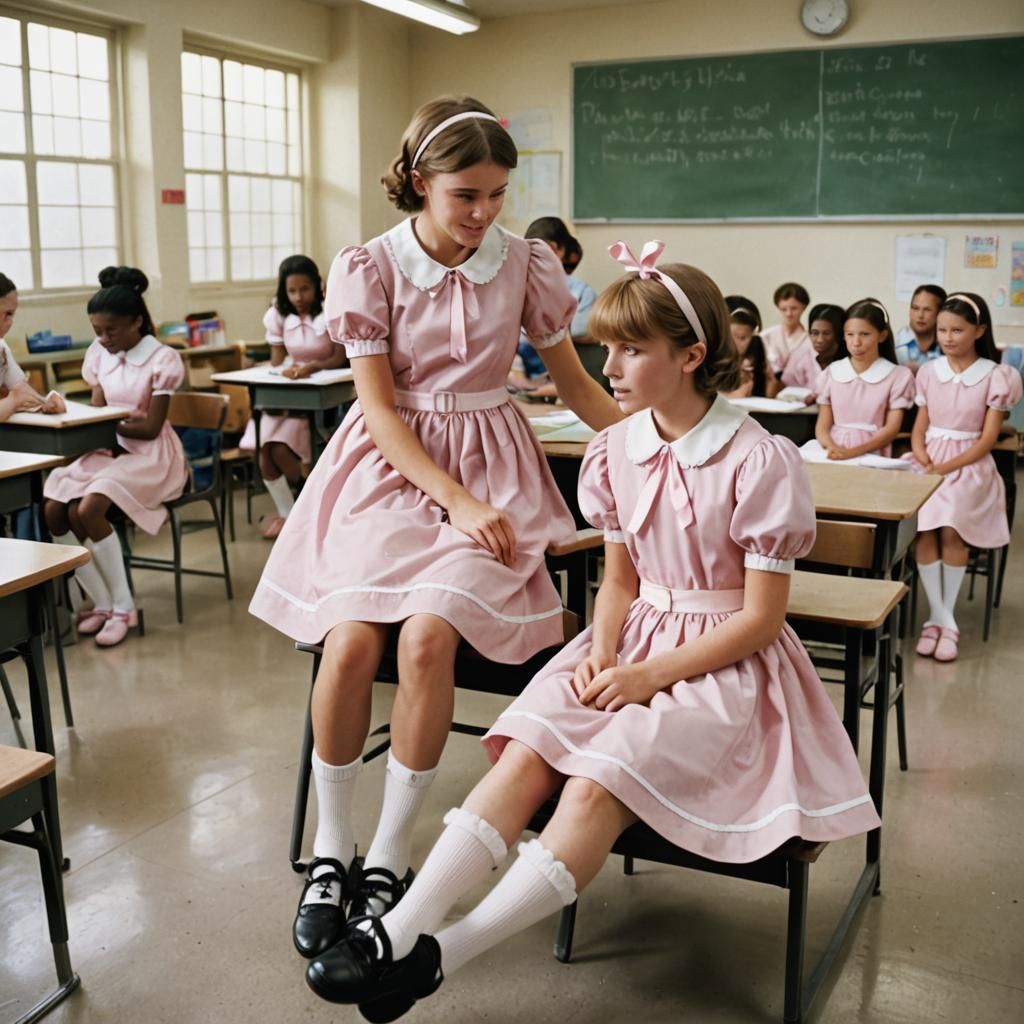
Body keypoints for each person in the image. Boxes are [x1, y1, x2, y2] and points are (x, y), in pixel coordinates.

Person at [302, 241, 880, 1021]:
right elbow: (620, 583)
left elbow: (760, 619)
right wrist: (605, 651)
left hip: (721, 666)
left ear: (691, 356)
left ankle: (443, 954)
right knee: (528, 750)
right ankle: (398, 931)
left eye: (630, 350)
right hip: (629, 641)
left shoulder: (758, 458)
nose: (608, 367)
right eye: (606, 347)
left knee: (596, 781)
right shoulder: (616, 450)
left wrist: (646, 676)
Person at [247, 96, 621, 959]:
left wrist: (662, 443)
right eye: (466, 195)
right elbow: (378, 410)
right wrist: (454, 500)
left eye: (498, 195)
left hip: (494, 471)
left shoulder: (525, 263)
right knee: (349, 646)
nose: (484, 213)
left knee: (425, 638)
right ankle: (333, 850)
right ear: (421, 182)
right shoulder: (370, 266)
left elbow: (576, 384)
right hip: (390, 471)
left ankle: (389, 852)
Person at [43, 267, 187, 647]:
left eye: (112, 331)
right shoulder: (99, 355)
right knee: (55, 508)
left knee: (89, 508)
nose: (104, 339)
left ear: (137, 321)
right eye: (97, 332)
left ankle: (124, 606)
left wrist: (109, 426)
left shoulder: (162, 358)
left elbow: (151, 428)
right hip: (110, 447)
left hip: (151, 455)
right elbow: (97, 412)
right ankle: (102, 602)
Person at [906, 292, 1022, 662]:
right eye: (942, 330)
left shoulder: (996, 375)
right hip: (930, 463)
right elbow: (919, 429)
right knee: (924, 529)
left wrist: (945, 468)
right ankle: (940, 620)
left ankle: (943, 620)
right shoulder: (929, 373)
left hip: (970, 466)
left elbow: (987, 440)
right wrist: (922, 455)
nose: (947, 337)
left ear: (979, 330)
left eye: (957, 330)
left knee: (951, 527)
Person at [239, 255, 347, 539]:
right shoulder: (279, 314)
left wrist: (311, 367)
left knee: (278, 450)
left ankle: (305, 502)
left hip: (322, 394)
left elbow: (339, 358)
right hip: (291, 392)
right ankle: (290, 514)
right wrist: (269, 370)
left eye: (305, 289)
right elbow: (277, 360)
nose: (298, 297)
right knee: (264, 452)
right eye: (292, 291)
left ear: (318, 286)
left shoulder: (331, 309)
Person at [811, 298, 914, 460]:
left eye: (865, 334)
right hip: (833, 453)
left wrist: (852, 453)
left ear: (882, 335)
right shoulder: (832, 372)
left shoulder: (897, 376)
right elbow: (822, 427)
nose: (856, 342)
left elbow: (891, 429)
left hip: (873, 454)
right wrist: (834, 448)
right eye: (850, 335)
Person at [510, 218, 597, 396]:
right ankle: (536, 390)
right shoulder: (517, 285)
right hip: (526, 365)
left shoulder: (579, 289)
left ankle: (538, 390)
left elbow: (585, 330)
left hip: (555, 363)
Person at [0, 272, 65, 420]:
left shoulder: (2, 348)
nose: (10, 322)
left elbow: (20, 388)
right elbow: (17, 397)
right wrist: (14, 401)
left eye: (12, 314)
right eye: (7, 314)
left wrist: (45, 402)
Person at [781, 302, 848, 397]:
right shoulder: (800, 356)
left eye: (826, 333)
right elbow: (786, 387)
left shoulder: (849, 361)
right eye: (815, 333)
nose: (819, 340)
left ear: (839, 334)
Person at [722, 297, 779, 398]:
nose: (736, 343)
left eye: (743, 337)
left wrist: (770, 384)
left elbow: (768, 394)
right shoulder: (715, 361)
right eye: (734, 336)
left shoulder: (758, 357)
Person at [760, 282, 810, 374]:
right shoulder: (766, 336)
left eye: (794, 308)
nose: (788, 314)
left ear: (804, 307)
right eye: (783, 309)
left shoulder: (809, 340)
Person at [895, 284, 946, 371]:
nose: (920, 315)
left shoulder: (949, 344)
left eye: (927, 310)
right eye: (915, 308)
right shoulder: (895, 343)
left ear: (940, 313)